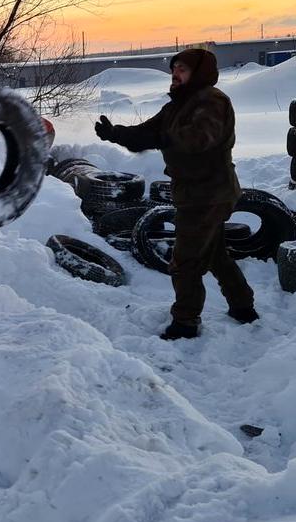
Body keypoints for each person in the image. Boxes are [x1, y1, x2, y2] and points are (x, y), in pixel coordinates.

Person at [94, 48, 258, 340]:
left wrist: (164, 138)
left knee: (185, 260)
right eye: (174, 69)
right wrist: (115, 133)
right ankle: (243, 307)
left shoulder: (211, 100)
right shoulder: (178, 105)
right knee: (214, 254)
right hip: (196, 192)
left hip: (209, 192)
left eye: (182, 69)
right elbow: (147, 132)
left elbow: (199, 138)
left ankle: (185, 322)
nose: (175, 74)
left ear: (199, 72)